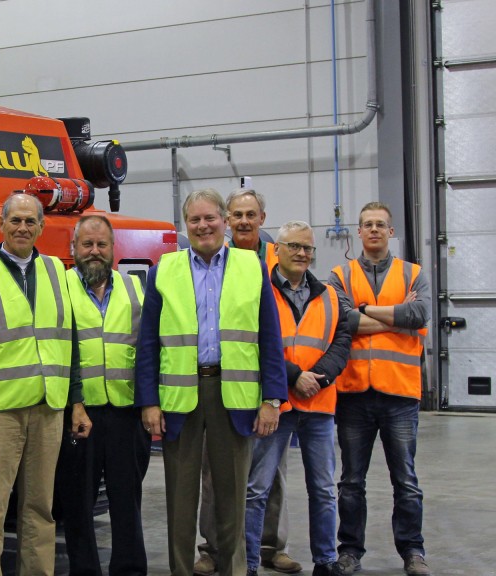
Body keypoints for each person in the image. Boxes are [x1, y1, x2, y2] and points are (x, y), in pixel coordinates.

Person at [136, 188, 288, 576]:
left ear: (224, 220)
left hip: (234, 395)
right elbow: (148, 342)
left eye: (210, 218)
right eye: (194, 220)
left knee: (233, 496)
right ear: (185, 225)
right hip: (179, 397)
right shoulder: (163, 271)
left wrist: (272, 399)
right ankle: (181, 570)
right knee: (180, 499)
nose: (203, 226)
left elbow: (270, 336)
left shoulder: (251, 267)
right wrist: (149, 402)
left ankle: (234, 570)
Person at [0, 192, 80, 576]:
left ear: (41, 227)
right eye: (15, 220)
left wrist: (75, 400)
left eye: (30, 221)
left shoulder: (58, 271)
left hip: (48, 408)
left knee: (40, 508)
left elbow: (69, 342)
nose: (22, 227)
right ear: (1, 224)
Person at [197, 188, 299, 576]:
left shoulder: (279, 258)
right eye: (236, 214)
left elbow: (282, 325)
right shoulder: (212, 258)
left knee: (272, 473)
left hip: (270, 378)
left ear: (262, 217)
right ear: (226, 219)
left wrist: (278, 388)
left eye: (250, 214)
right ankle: (212, 548)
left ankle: (272, 545)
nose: (243, 220)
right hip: (226, 383)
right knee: (215, 472)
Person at [326, 202, 431, 576]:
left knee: (406, 481)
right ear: (358, 232)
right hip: (354, 393)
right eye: (367, 224)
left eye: (380, 225)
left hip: (400, 394)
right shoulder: (340, 274)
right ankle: (350, 551)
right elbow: (342, 319)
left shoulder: (412, 273)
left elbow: (418, 316)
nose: (374, 230)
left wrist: (366, 311)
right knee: (351, 482)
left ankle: (413, 552)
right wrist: (393, 316)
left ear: (391, 232)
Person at [244, 221, 352, 576]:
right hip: (277, 403)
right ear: (278, 250)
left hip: (319, 405)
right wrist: (294, 377)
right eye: (295, 246)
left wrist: (318, 379)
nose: (302, 253)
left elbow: (341, 340)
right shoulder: (260, 290)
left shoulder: (329, 294)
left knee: (322, 488)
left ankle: (326, 560)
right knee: (258, 488)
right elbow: (256, 341)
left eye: (308, 248)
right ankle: (248, 563)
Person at [56, 215, 149, 576]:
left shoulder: (135, 288)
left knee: (128, 500)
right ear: (73, 249)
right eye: (87, 245)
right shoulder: (59, 288)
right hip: (79, 414)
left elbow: (147, 349)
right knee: (78, 504)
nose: (94, 251)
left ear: (113, 249)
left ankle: (129, 569)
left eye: (102, 245)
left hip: (127, 412)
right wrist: (72, 403)